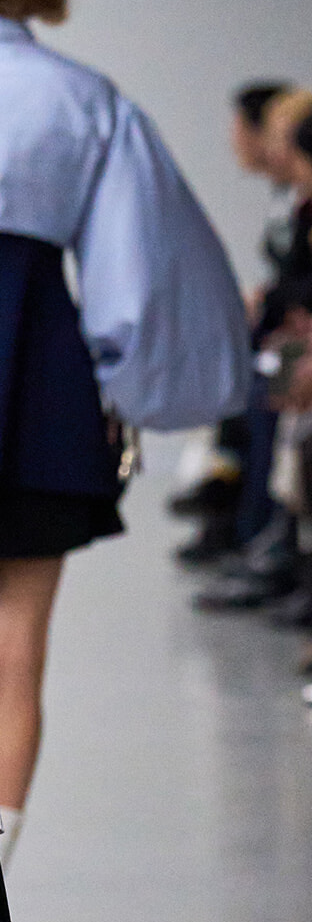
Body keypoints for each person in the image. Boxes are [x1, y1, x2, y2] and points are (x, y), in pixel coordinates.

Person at [0, 0, 249, 848]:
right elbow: (131, 265)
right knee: (21, 638)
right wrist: (123, 383)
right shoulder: (88, 99)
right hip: (43, 361)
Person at [170, 80, 292, 567]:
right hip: (281, 336)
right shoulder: (288, 199)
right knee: (229, 380)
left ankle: (258, 531)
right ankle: (228, 509)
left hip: (292, 343)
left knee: (261, 398)